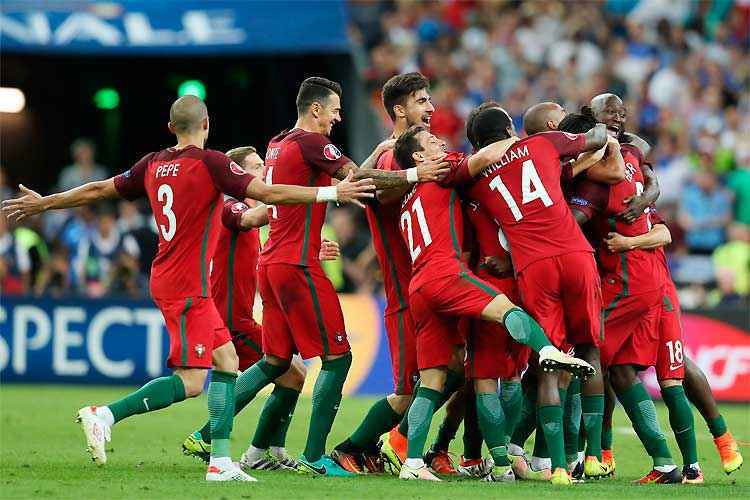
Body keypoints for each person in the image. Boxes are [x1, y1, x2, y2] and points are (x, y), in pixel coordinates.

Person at [1, 94, 375, 482]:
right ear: (207, 124)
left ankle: (221, 461)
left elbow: (98, 190)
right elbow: (268, 195)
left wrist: (46, 203)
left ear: (170, 128)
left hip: (178, 280)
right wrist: (331, 192)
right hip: (184, 285)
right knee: (194, 381)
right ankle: (107, 415)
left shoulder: (153, 163)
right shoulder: (212, 163)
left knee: (228, 362)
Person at [202, 77, 446, 478]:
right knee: (338, 357)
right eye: (334, 109)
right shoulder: (313, 142)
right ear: (315, 109)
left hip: (274, 262)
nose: (337, 117)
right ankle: (316, 457)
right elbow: (359, 181)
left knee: (277, 360)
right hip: (298, 267)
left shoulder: (280, 143)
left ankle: (211, 437)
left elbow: (343, 182)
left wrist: (374, 155)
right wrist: (415, 177)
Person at [393, 125, 595, 483]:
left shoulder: (406, 197)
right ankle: (547, 349)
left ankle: (413, 463)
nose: (441, 142)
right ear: (420, 158)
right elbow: (485, 158)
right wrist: (526, 142)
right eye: (431, 142)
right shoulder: (447, 172)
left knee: (435, 381)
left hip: (419, 284)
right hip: (454, 274)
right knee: (508, 331)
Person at [182, 145, 343, 471]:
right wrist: (304, 197)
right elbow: (255, 217)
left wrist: (312, 247)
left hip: (239, 316)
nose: (264, 172)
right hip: (231, 320)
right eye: (256, 167)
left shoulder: (249, 213)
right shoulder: (231, 206)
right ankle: (212, 436)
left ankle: (264, 451)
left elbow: (266, 250)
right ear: (237, 174)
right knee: (289, 369)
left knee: (292, 372)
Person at [564, 102, 681, 485]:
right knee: (623, 371)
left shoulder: (599, 180)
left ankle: (584, 455)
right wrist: (651, 188)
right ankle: (665, 463)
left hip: (626, 280)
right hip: (646, 278)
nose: (616, 120)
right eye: (608, 116)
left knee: (585, 354)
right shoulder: (631, 158)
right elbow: (639, 155)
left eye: (620, 114)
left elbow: (576, 221)